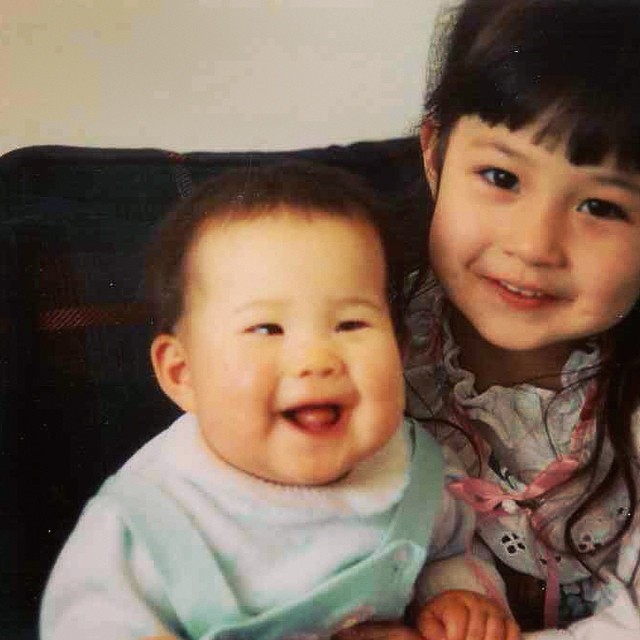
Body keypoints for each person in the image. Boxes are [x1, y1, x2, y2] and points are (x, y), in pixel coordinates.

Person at [39, 161, 518, 640]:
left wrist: (456, 596)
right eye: (267, 328)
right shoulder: (143, 522)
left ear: (400, 349)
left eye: (350, 324)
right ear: (183, 374)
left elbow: (449, 552)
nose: (316, 359)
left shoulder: (418, 475)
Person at [344, 1, 640, 639]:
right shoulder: (355, 338)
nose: (534, 246)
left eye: (601, 206)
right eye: (501, 176)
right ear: (433, 155)